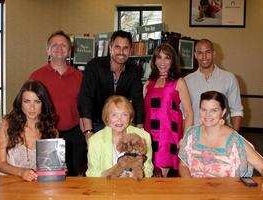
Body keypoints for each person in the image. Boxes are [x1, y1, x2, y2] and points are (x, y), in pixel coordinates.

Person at [178, 91, 263, 198]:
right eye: (204, 110)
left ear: (223, 112)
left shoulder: (235, 141)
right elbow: (183, 165)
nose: (207, 115)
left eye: (214, 110)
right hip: (195, 193)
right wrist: (190, 186)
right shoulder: (191, 134)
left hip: (226, 195)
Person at [29, 30, 86, 176]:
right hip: (45, 134)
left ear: (69, 50)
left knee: (72, 176)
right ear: (48, 49)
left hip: (74, 136)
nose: (59, 48)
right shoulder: (36, 76)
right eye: (54, 45)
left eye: (63, 45)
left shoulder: (80, 77)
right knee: (49, 177)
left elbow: (84, 108)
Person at [78, 30, 144, 136]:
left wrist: (140, 128)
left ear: (131, 50)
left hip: (120, 123)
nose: (121, 52)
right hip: (96, 123)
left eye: (125, 48)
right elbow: (85, 98)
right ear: (110, 47)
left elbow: (138, 99)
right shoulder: (94, 66)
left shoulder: (133, 69)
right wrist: (88, 131)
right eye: (117, 47)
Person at [143, 43, 193, 177]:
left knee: (158, 179)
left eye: (167, 58)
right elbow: (144, 113)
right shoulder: (148, 83)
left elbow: (188, 113)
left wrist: (185, 139)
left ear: (173, 61)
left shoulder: (179, 82)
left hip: (167, 138)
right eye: (159, 57)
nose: (162, 62)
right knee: (148, 176)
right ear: (154, 61)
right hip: (149, 137)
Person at [0, 80, 58, 181]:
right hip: (7, 183)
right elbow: (1, 165)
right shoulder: (7, 124)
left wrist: (57, 168)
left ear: (43, 104)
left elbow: (48, 168)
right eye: (27, 101)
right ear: (20, 103)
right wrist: (22, 172)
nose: (32, 107)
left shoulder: (51, 131)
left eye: (37, 102)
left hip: (35, 186)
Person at [86, 95, 153, 177]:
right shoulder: (95, 140)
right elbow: (91, 172)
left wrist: (134, 175)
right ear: (107, 118)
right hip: (106, 187)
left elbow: (148, 169)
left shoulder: (144, 137)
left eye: (124, 114)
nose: (119, 120)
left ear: (130, 118)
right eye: (114, 115)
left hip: (135, 186)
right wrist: (112, 175)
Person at [184, 39, 243, 132]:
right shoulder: (187, 81)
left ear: (214, 54)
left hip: (222, 136)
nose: (204, 56)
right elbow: (185, 114)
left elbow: (236, 111)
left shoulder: (229, 78)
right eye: (200, 53)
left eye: (208, 52)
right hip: (196, 136)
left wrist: (234, 137)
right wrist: (186, 137)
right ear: (195, 55)